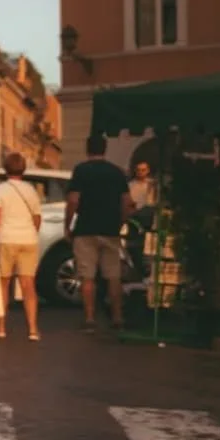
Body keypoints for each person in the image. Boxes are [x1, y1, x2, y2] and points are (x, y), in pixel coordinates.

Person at [65, 134, 133, 331]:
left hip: (86, 228)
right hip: (110, 229)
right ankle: (117, 317)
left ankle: (89, 318)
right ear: (105, 149)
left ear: (87, 149)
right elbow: (127, 203)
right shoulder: (117, 173)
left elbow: (73, 200)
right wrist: (120, 223)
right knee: (113, 275)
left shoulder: (81, 171)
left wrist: (68, 225)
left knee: (87, 276)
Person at [0, 152, 43, 340]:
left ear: (6, 169)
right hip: (28, 239)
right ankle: (32, 329)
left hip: (5, 239)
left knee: (3, 284)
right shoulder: (31, 190)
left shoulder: (0, 190)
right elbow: (37, 218)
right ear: (23, 169)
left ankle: (0, 328)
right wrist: (30, 232)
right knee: (28, 285)